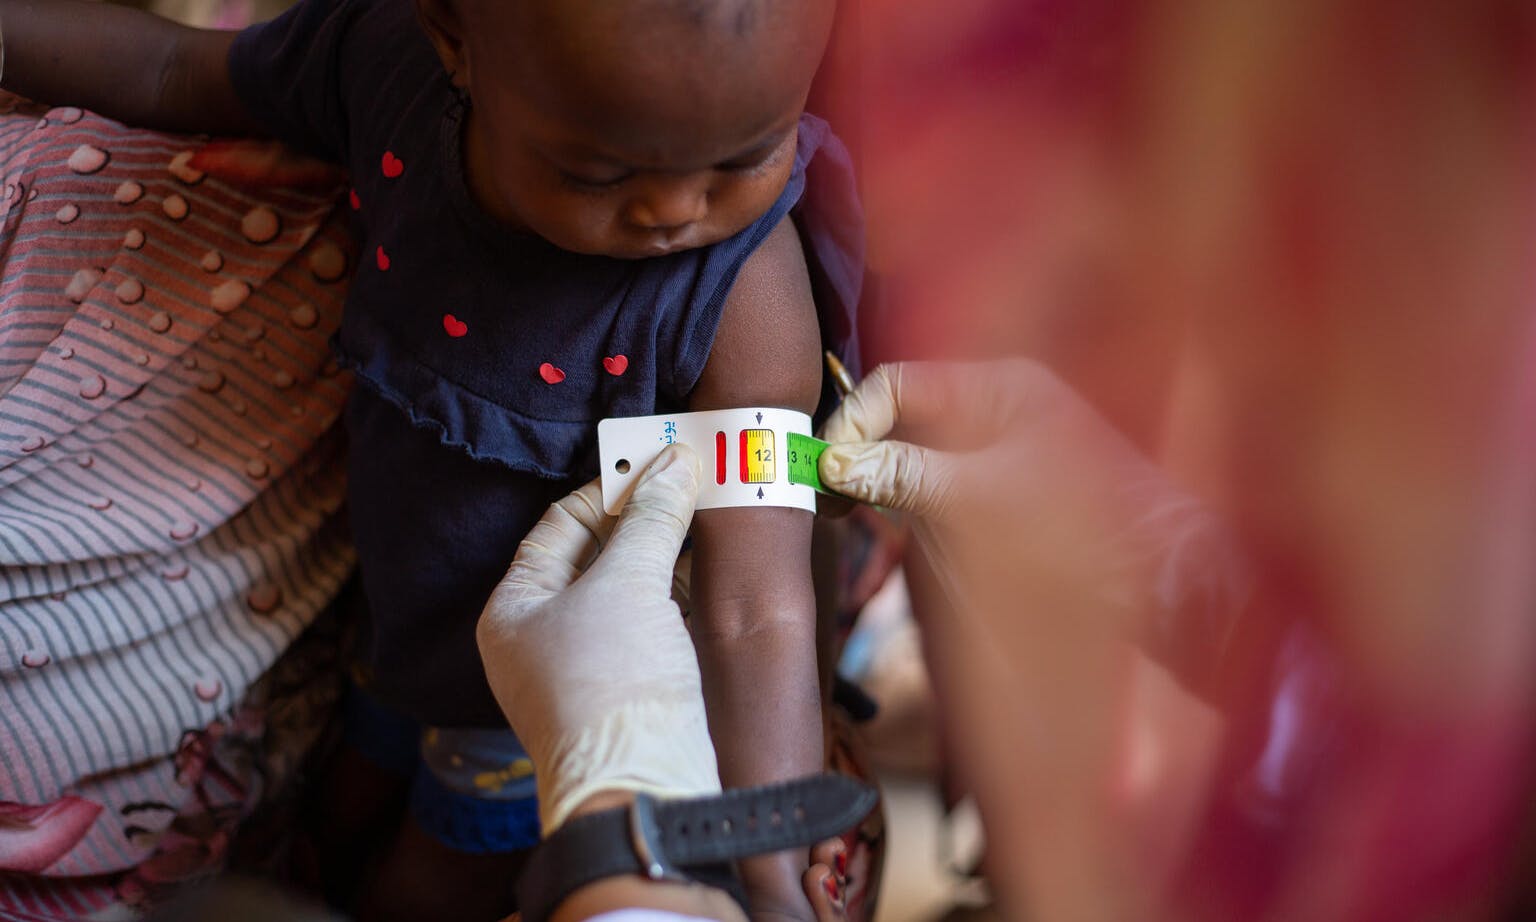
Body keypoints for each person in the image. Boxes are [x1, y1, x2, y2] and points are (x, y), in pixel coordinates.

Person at [0, 1, 863, 919]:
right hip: (384, 616)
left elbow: (755, 606)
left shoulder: (749, 297)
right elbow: (179, 71)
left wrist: (769, 853)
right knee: (339, 806)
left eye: (746, 157)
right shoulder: (382, 70)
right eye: (598, 171)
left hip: (555, 703)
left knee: (431, 883)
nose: (676, 212)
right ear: (454, 44)